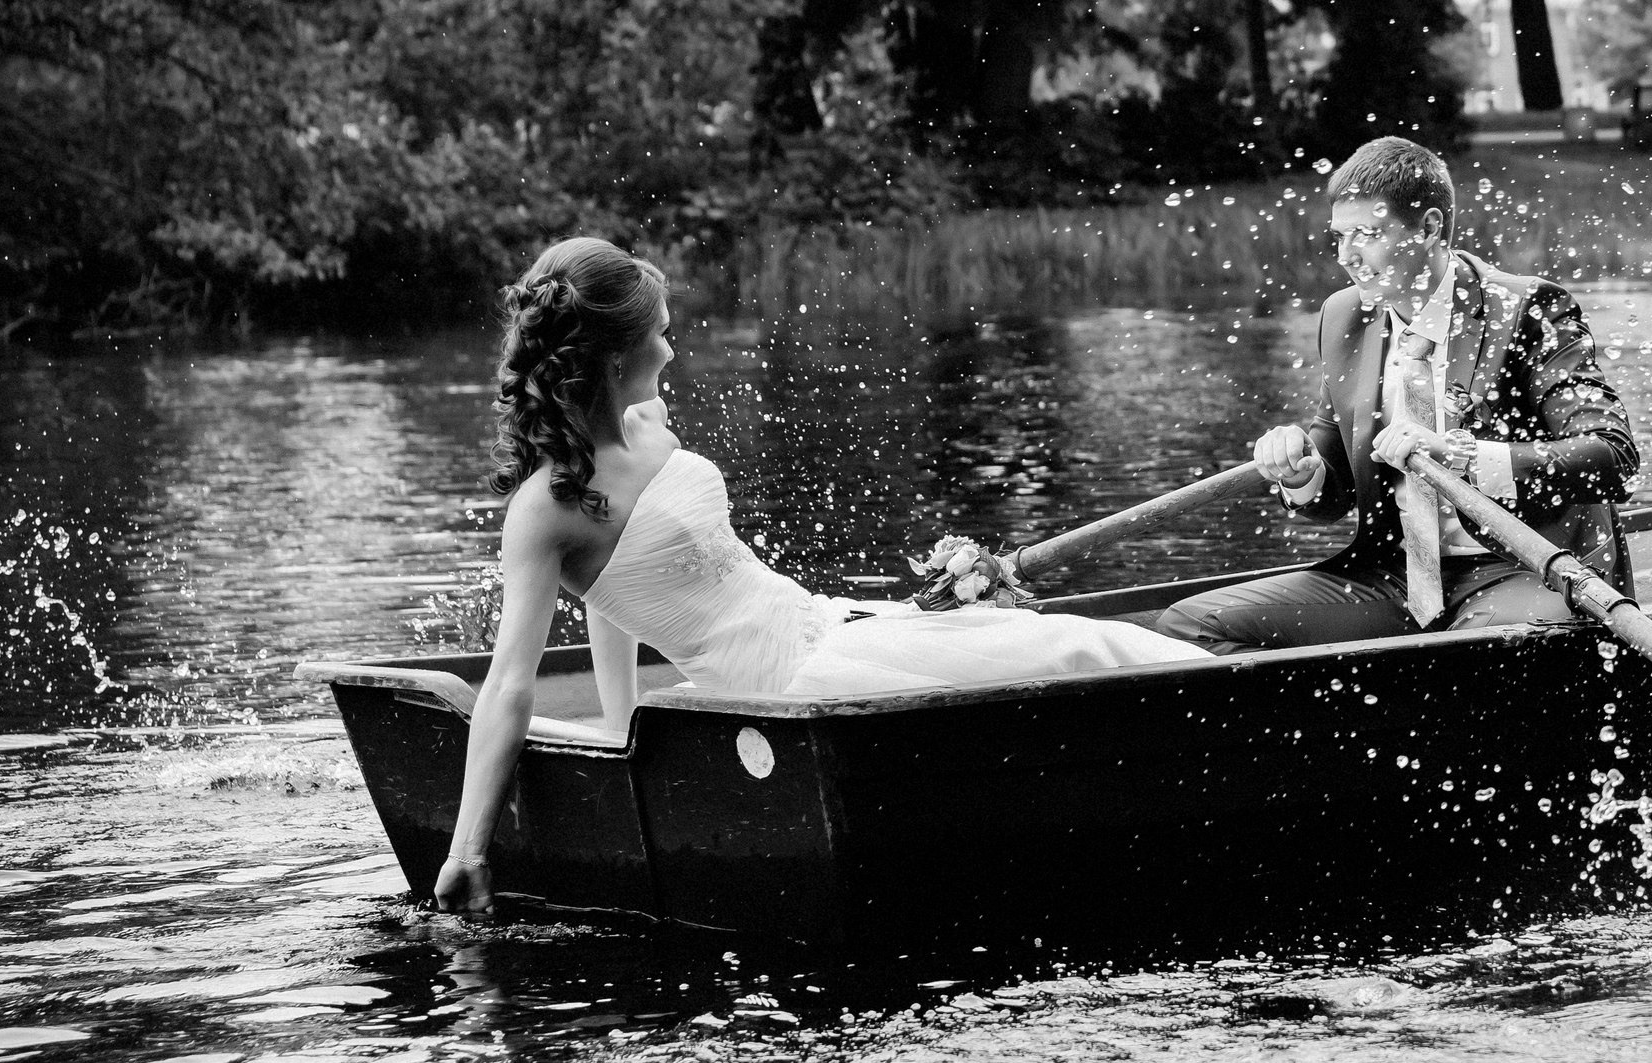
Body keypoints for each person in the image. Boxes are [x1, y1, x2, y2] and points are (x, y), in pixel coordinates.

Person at [433, 237, 1209, 913]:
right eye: (662, 337)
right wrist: (469, 848)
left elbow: (614, 598)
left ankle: (1204, 708)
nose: (672, 350)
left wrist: (619, 721)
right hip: (788, 680)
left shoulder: (647, 424)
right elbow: (508, 681)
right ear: (614, 355)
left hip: (824, 623)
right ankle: (1200, 742)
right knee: (1067, 654)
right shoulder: (545, 509)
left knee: (1052, 638)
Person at [1156, 136, 1638, 652]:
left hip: (1527, 566)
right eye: (1339, 237)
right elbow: (1335, 478)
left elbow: (1612, 455)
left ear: (1429, 228)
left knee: (1462, 660)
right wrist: (1305, 473)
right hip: (1396, 575)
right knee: (1189, 627)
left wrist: (1460, 455)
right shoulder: (1344, 316)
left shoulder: (1523, 307)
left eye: (1368, 233)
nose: (1348, 256)